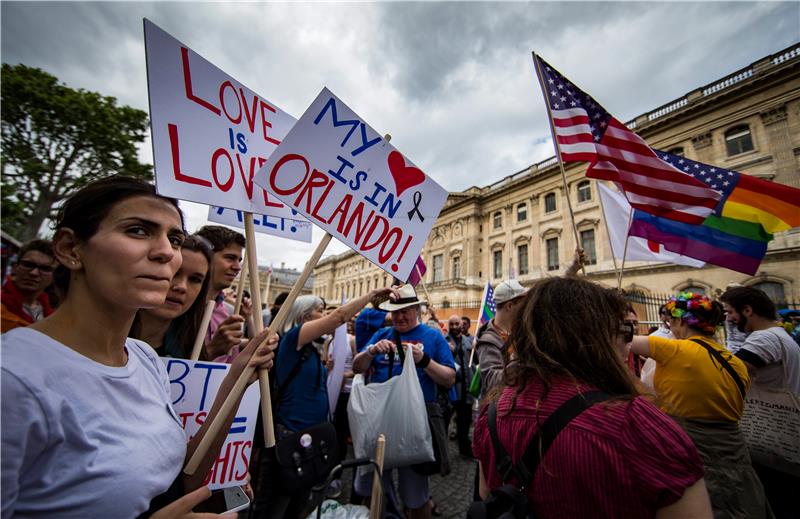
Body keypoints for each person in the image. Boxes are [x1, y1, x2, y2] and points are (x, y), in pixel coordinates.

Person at [1, 176, 277, 518]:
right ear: (70, 249)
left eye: (174, 239)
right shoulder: (12, 378)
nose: (165, 252)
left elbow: (180, 482)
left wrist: (237, 377)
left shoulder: (144, 358)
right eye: (137, 231)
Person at [474, 277, 712, 518]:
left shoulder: (492, 411)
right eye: (623, 331)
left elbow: (486, 493)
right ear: (598, 335)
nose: (627, 343)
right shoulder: (640, 427)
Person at [254, 287, 397, 519]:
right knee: (274, 507)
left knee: (296, 505)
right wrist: (371, 296)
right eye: (320, 311)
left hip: (307, 437)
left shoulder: (309, 350)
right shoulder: (292, 339)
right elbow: (338, 317)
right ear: (304, 317)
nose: (325, 314)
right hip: (289, 436)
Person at [630, 292, 771, 518]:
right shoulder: (734, 361)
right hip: (735, 451)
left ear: (681, 321)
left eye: (671, 322)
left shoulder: (676, 349)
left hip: (694, 447)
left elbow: (621, 339)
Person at [352, 284, 456, 519]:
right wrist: (370, 353)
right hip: (379, 424)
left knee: (416, 497)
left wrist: (425, 360)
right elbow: (357, 367)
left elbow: (449, 379)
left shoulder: (432, 337)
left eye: (405, 311)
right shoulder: (382, 334)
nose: (399, 317)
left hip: (414, 425)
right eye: (395, 311)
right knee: (375, 491)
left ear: (417, 309)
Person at [720, 286, 800, 518]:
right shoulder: (778, 334)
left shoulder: (764, 338)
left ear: (748, 310)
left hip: (775, 441)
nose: (728, 319)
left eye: (730, 313)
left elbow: (726, 376)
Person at [129, 235, 214, 358]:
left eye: (195, 279)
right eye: (175, 272)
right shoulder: (97, 345)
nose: (182, 287)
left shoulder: (192, 356)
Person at [195, 225, 249, 360]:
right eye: (230, 258)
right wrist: (213, 350)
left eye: (239, 260)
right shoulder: (180, 308)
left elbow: (230, 364)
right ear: (205, 256)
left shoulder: (226, 312)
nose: (237, 267)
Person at [474, 278, 527, 395]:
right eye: (523, 305)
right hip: (500, 410)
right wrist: (515, 367)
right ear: (509, 306)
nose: (525, 309)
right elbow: (491, 381)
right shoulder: (488, 341)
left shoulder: (518, 333)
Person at [1, 239, 57, 332]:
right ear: (15, 268)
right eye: (28, 264)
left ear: (53, 277)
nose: (34, 273)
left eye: (45, 268)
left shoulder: (51, 316)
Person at [446, 314, 475, 457]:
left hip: (466, 388)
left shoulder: (469, 341)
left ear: (462, 325)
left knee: (464, 422)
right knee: (445, 421)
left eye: (457, 324)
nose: (454, 327)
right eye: (452, 324)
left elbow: (474, 361)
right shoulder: (444, 341)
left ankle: (465, 450)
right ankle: (441, 453)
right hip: (450, 389)